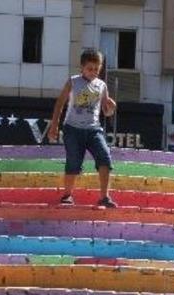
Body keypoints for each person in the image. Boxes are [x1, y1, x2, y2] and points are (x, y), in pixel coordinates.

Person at [48, 49, 117, 208]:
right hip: (72, 129)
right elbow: (59, 104)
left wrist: (112, 107)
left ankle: (104, 197)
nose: (93, 72)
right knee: (73, 161)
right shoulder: (73, 81)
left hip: (93, 130)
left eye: (97, 69)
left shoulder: (102, 85)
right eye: (90, 69)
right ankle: (67, 195)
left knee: (105, 158)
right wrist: (54, 126)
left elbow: (106, 111)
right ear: (82, 68)